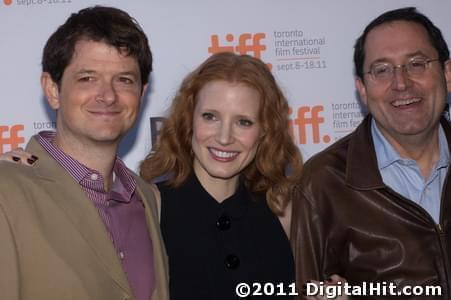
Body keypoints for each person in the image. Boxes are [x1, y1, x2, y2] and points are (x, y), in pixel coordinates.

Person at [0, 6, 168, 300]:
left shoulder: (148, 199)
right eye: (87, 78)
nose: (108, 95)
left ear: (141, 93)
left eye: (124, 80)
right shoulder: (7, 192)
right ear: (52, 90)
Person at [291, 7, 451, 300]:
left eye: (416, 64)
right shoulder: (324, 183)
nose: (401, 83)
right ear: (362, 90)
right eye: (382, 70)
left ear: (447, 73)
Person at [139, 52, 303, 299]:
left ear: (264, 131)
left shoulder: (284, 212)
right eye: (210, 117)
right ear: (189, 120)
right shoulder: (151, 208)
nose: (225, 138)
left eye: (244, 122)